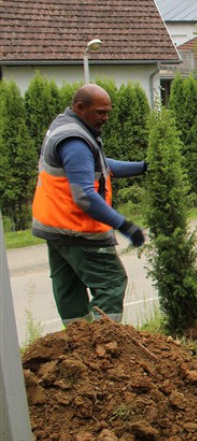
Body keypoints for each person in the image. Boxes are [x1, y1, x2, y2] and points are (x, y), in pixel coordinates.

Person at [31, 83, 147, 326]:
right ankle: (102, 346)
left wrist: (144, 167)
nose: (105, 118)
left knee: (69, 289)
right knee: (111, 282)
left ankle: (77, 344)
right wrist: (125, 226)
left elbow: (104, 166)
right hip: (78, 228)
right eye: (100, 112)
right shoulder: (75, 140)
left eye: (108, 112)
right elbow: (84, 195)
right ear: (80, 107)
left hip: (56, 226)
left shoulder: (65, 127)